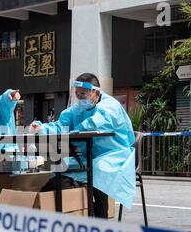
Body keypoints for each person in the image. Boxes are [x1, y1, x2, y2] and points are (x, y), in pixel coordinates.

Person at [30, 73, 136, 218]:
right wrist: (42, 128)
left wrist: (75, 131)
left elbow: (98, 122)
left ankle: (101, 220)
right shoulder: (77, 109)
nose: (80, 98)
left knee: (99, 171)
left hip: (114, 155)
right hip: (89, 156)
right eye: (77, 94)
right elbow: (61, 125)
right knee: (64, 167)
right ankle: (82, 211)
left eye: (83, 94)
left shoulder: (110, 106)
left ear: (95, 92)